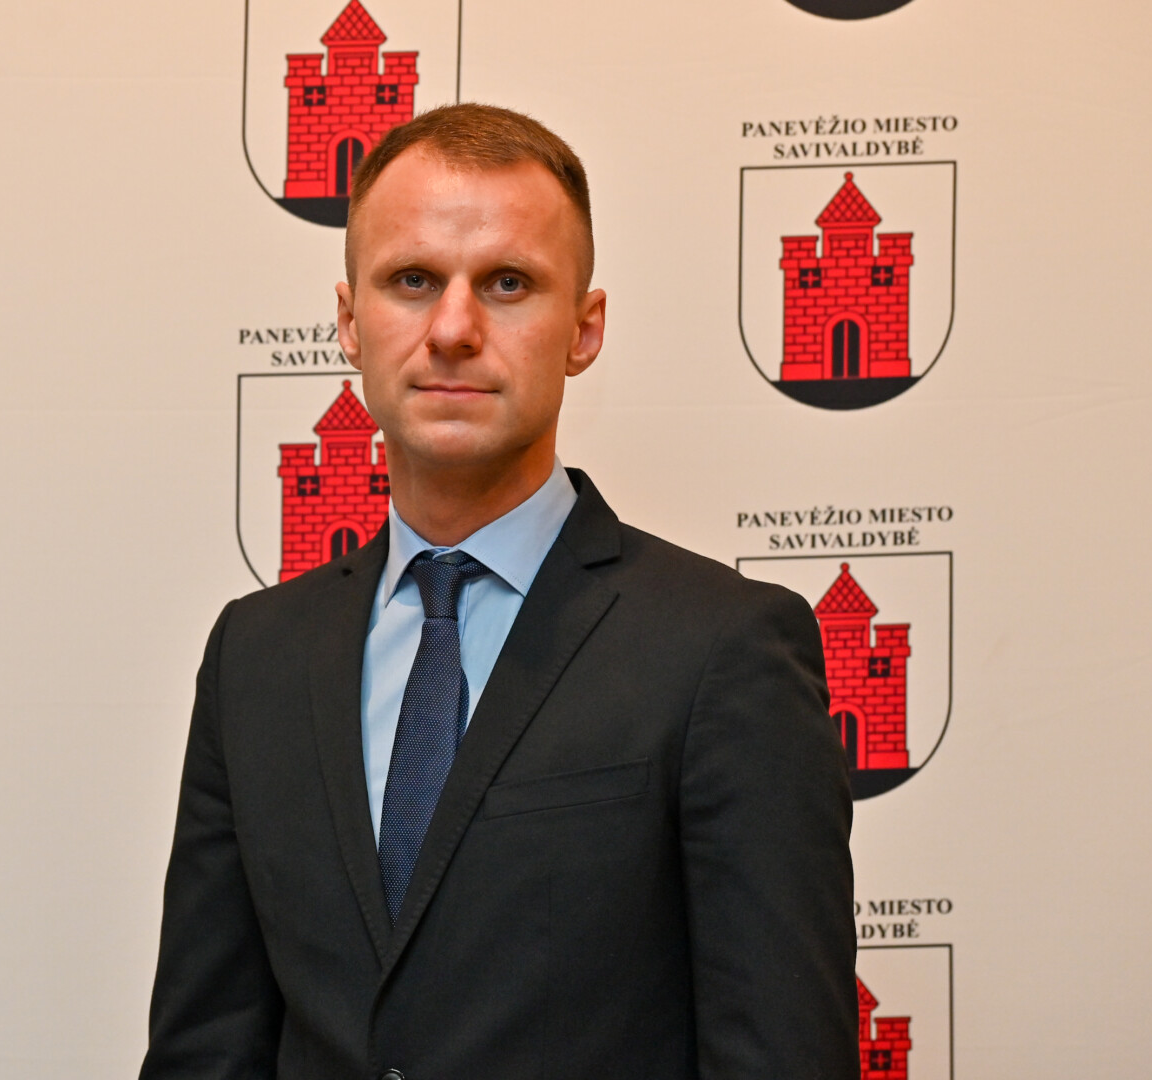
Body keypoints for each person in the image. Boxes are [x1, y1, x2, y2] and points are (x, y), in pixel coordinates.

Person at [140, 103, 856, 1080]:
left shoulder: (721, 651)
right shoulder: (254, 656)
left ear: (583, 330)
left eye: (507, 283)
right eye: (411, 280)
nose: (453, 329)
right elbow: (205, 1047)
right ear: (349, 322)